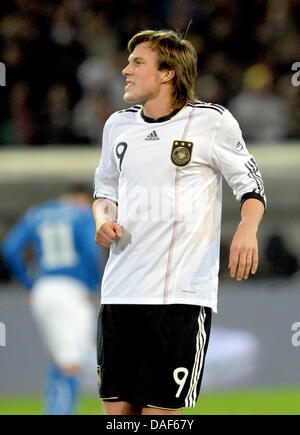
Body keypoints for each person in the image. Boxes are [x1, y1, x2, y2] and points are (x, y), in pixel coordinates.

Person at [93, 29, 266, 416]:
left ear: (168, 72)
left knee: (161, 419)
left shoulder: (211, 122)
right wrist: (102, 220)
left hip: (180, 298)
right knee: (118, 417)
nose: (126, 70)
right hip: (120, 294)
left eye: (138, 62)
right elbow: (104, 192)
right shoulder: (117, 126)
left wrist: (247, 228)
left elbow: (251, 185)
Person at [2, 185, 104, 415]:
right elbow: (91, 250)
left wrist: (30, 284)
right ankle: (59, 411)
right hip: (72, 290)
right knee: (71, 363)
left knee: (62, 360)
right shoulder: (82, 214)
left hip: (45, 289)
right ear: (84, 199)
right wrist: (92, 285)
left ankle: (57, 408)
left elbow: (10, 249)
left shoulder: (36, 214)